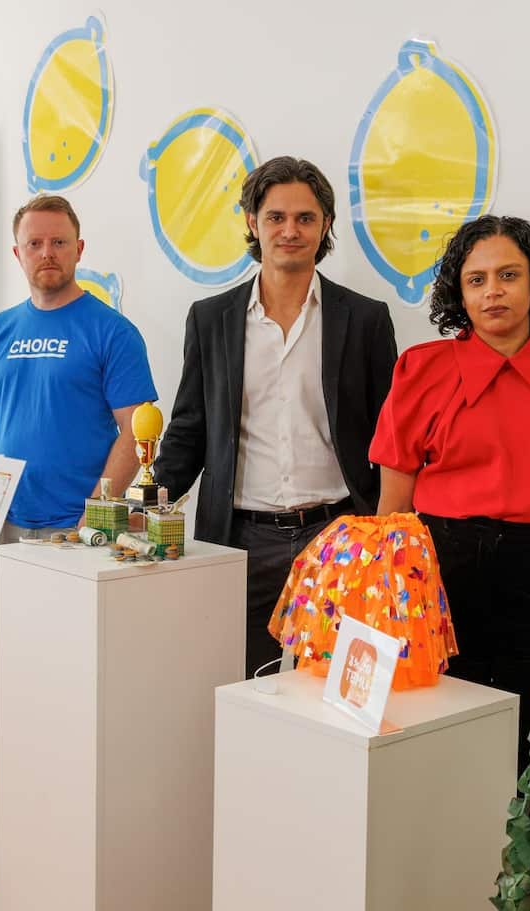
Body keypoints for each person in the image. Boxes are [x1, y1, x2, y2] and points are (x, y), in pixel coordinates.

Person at [370, 214, 530, 772]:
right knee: (435, 743)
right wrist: (383, 608)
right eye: (477, 279)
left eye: (509, 275)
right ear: (458, 294)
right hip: (440, 576)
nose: (493, 291)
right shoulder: (422, 371)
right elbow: (391, 512)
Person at [154, 156, 398, 678]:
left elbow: (392, 439)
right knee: (245, 687)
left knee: (333, 692)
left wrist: (388, 534)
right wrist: (141, 509)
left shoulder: (367, 319)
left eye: (306, 218)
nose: (290, 230)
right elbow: (189, 430)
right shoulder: (211, 319)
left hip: (339, 536)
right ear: (251, 221)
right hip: (240, 542)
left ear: (326, 225)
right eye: (276, 217)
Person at [0, 195, 158, 542]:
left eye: (59, 242)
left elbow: (135, 428)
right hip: (3, 521)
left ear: (79, 249)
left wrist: (97, 510)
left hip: (77, 526)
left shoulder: (112, 331)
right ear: (17, 254)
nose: (47, 253)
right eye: (34, 244)